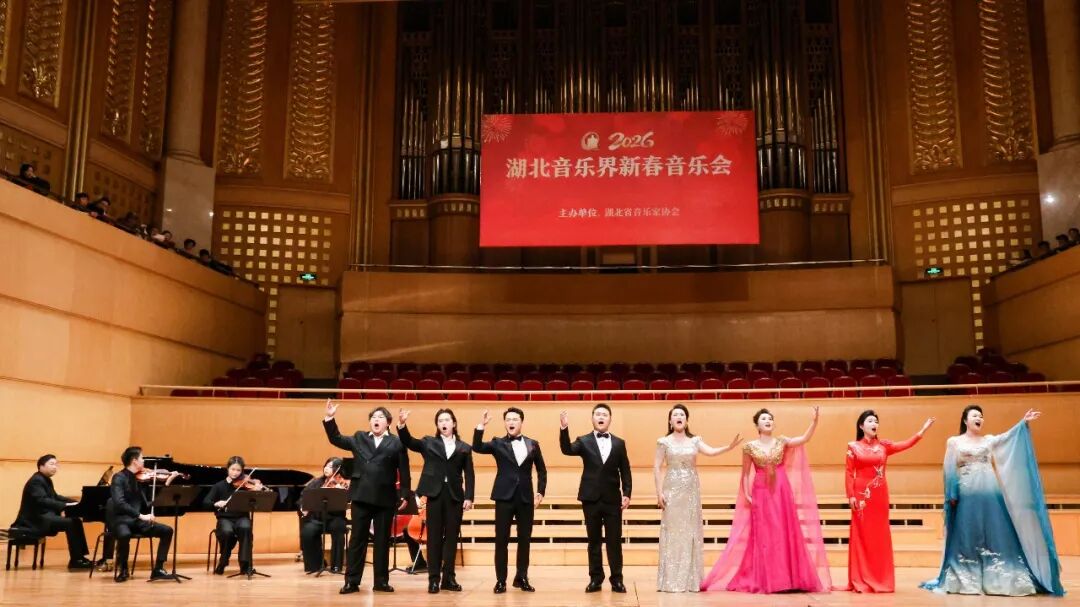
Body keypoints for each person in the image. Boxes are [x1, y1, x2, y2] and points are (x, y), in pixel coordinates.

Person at [922, 406, 1063, 596]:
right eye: (975, 415)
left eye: (981, 416)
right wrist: (952, 494)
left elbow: (1007, 437)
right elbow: (949, 469)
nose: (979, 418)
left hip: (990, 492)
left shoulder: (988, 440)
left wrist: (1023, 422)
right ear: (965, 420)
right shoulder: (954, 442)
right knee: (967, 532)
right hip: (966, 493)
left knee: (996, 530)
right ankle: (965, 578)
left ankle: (1001, 578)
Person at [701, 406, 830, 593]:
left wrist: (814, 421)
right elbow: (746, 473)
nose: (768, 421)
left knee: (784, 530)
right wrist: (746, 494)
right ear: (757, 425)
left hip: (781, 490)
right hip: (761, 491)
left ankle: (789, 579)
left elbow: (804, 439)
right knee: (765, 533)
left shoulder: (782, 441)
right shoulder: (749, 447)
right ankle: (769, 579)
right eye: (763, 419)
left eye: (770, 418)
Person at [323, 400, 411, 594]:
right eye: (373, 417)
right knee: (357, 540)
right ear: (370, 422)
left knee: (382, 541)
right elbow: (336, 438)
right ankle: (351, 582)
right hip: (361, 496)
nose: (376, 420)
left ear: (388, 422)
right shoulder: (359, 437)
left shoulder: (397, 442)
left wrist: (405, 493)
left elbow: (404, 470)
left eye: (380, 417)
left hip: (385, 497)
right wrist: (329, 418)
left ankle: (381, 581)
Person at [845, 411, 935, 592]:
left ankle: (880, 578)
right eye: (870, 421)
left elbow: (905, 444)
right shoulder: (853, 447)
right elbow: (849, 472)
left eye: (876, 421)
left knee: (880, 536)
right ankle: (861, 578)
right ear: (861, 426)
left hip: (879, 496)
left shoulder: (883, 446)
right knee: (862, 536)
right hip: (861, 496)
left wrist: (922, 431)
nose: (874, 423)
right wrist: (851, 495)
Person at [654, 404, 740, 593]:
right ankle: (670, 581)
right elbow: (657, 467)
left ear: (686, 420)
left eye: (682, 414)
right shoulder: (663, 442)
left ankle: (690, 580)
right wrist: (659, 492)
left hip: (691, 491)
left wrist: (728, 447)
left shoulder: (694, 441)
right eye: (675, 414)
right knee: (673, 532)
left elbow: (711, 451)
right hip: (672, 489)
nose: (679, 416)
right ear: (670, 420)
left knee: (690, 531)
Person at [397, 407, 475, 593]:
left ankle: (449, 578)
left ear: (453, 423)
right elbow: (409, 441)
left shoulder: (464, 447)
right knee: (434, 538)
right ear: (437, 425)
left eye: (447, 420)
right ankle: (433, 579)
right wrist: (402, 425)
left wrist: (469, 496)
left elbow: (469, 474)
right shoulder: (429, 443)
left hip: (455, 496)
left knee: (451, 538)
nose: (443, 423)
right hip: (434, 495)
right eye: (440, 421)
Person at [472, 407, 547, 594]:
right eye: (508, 419)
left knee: (525, 540)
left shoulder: (533, 444)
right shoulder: (497, 443)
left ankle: (521, 577)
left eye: (515, 419)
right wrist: (481, 426)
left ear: (521, 422)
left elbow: (542, 470)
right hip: (504, 497)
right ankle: (501, 581)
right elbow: (477, 447)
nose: (511, 422)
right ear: (505, 423)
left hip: (525, 498)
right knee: (501, 540)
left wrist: (540, 491)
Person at [559, 404, 632, 593]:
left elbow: (625, 470)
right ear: (592, 418)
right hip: (590, 498)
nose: (601, 417)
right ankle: (596, 579)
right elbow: (567, 449)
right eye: (598, 414)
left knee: (614, 541)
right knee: (594, 541)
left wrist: (627, 493)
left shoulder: (619, 443)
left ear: (610, 419)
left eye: (604, 414)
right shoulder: (583, 441)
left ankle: (617, 579)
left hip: (612, 499)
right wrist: (564, 428)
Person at [106, 446, 178, 582]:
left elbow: (149, 503)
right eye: (142, 458)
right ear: (134, 461)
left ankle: (158, 569)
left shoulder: (139, 479)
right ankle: (123, 568)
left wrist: (168, 483)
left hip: (136, 521)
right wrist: (141, 516)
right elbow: (120, 503)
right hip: (120, 520)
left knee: (167, 531)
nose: (144, 461)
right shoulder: (118, 478)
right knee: (124, 534)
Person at [11, 454, 93, 570]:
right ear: (41, 466)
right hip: (34, 520)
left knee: (75, 521)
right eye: (51, 464)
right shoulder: (36, 481)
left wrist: (75, 502)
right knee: (71, 522)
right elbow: (42, 500)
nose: (55, 467)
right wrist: (65, 505)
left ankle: (79, 558)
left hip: (43, 516)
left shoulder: (45, 479)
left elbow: (55, 497)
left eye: (56, 464)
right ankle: (76, 560)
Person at [203, 456, 264, 576]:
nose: (235, 473)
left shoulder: (246, 486)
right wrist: (216, 503)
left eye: (238, 470)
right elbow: (205, 502)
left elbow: (257, 502)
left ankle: (245, 565)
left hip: (242, 517)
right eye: (233, 469)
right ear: (227, 469)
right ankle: (223, 560)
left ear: (242, 471)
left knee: (246, 528)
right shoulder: (219, 486)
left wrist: (258, 491)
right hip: (225, 518)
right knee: (226, 532)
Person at [299, 457, 349, 574]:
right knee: (307, 532)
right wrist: (303, 506)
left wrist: (341, 492)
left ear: (337, 469)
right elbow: (304, 496)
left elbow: (350, 499)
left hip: (336, 517)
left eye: (330, 466)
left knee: (338, 528)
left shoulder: (342, 483)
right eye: (326, 465)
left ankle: (336, 565)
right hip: (318, 518)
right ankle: (315, 564)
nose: (326, 468)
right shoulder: (316, 482)